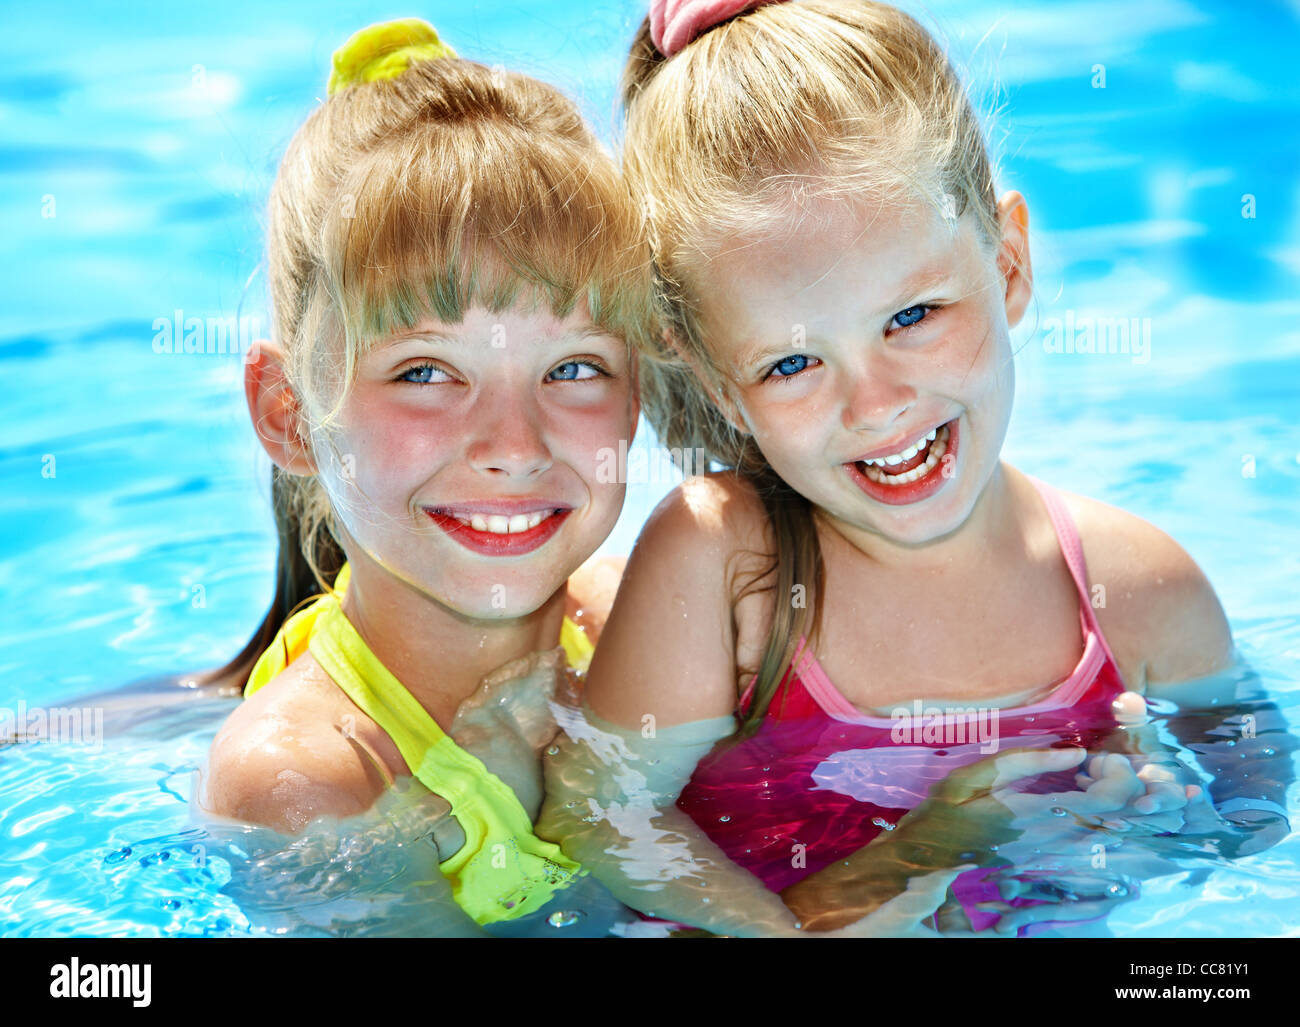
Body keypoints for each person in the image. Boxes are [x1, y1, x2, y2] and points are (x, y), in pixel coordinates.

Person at [538, 0, 1292, 937]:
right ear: (721, 387)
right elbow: (596, 819)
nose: (877, 403)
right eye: (791, 364)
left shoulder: (1140, 591)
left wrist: (1155, 827)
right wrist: (921, 853)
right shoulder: (725, 571)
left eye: (912, 316)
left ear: (1009, 264)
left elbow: (1256, 808)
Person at [197, 18, 649, 929]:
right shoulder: (309, 783)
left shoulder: (626, 627)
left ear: (642, 390)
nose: (514, 443)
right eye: (427, 373)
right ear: (287, 412)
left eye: (572, 367)